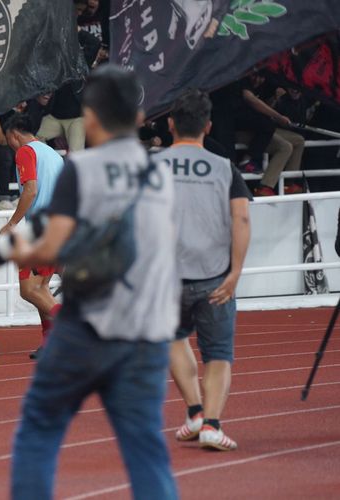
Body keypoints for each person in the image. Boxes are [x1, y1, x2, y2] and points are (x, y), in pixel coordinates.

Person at [8, 65, 179, 499]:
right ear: (139, 119)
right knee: (146, 449)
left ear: (91, 119)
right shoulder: (159, 175)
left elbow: (55, 247)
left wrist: (19, 250)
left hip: (87, 330)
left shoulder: (81, 169)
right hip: (145, 330)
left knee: (40, 429)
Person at [153, 89, 251, 451]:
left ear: (170, 124)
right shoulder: (225, 168)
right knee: (218, 353)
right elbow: (240, 217)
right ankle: (211, 424)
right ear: (208, 127)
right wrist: (235, 272)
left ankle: (194, 411)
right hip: (213, 276)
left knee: (172, 339)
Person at [0, 113, 63, 359]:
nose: (9, 145)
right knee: (41, 287)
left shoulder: (26, 152)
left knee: (28, 289)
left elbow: (31, 189)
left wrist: (12, 222)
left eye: (8, 140)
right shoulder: (54, 154)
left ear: (14, 134)